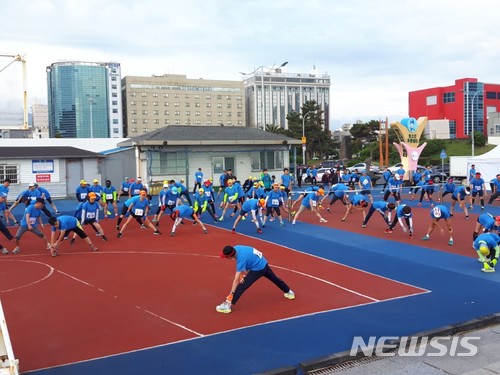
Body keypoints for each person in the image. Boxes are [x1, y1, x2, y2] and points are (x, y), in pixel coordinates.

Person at [216, 245, 295, 314]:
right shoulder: (237, 248)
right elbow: (249, 259)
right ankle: (289, 292)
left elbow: (236, 280)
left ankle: (227, 305)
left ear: (230, 256)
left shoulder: (241, 259)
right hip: (263, 263)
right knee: (275, 279)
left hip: (257, 269)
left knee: (241, 286)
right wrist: (243, 275)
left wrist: (231, 293)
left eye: (225, 257)